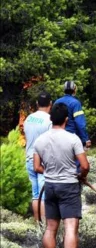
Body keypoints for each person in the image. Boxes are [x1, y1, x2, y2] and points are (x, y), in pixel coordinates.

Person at [33, 102, 90, 248]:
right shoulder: (73, 139)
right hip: (69, 187)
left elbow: (37, 167)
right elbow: (85, 165)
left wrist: (51, 172)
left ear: (51, 119)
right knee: (70, 228)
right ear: (66, 119)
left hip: (50, 186)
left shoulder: (40, 140)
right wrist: (81, 175)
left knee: (50, 228)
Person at [23, 91, 53, 221]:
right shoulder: (49, 120)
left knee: (35, 195)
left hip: (29, 159)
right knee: (44, 195)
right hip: (42, 162)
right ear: (50, 104)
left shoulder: (29, 118)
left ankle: (37, 224)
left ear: (37, 103)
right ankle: (44, 227)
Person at [55, 81, 90, 149]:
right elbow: (80, 123)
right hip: (71, 136)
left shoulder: (57, 102)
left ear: (64, 90)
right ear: (74, 90)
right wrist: (85, 139)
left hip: (57, 137)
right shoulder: (75, 103)